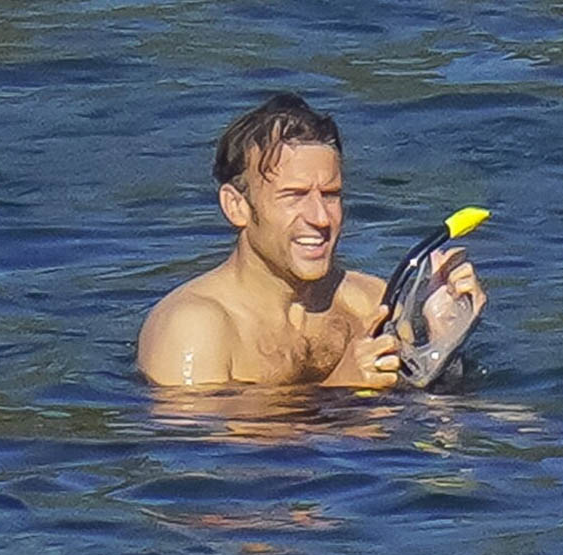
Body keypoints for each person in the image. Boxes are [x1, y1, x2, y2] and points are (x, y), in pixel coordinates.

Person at [137, 93, 486, 389]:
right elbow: (205, 443)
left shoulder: (369, 303)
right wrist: (339, 387)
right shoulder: (194, 328)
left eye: (331, 195)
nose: (320, 218)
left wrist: (443, 341)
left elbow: (424, 416)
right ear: (236, 206)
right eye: (294, 195)